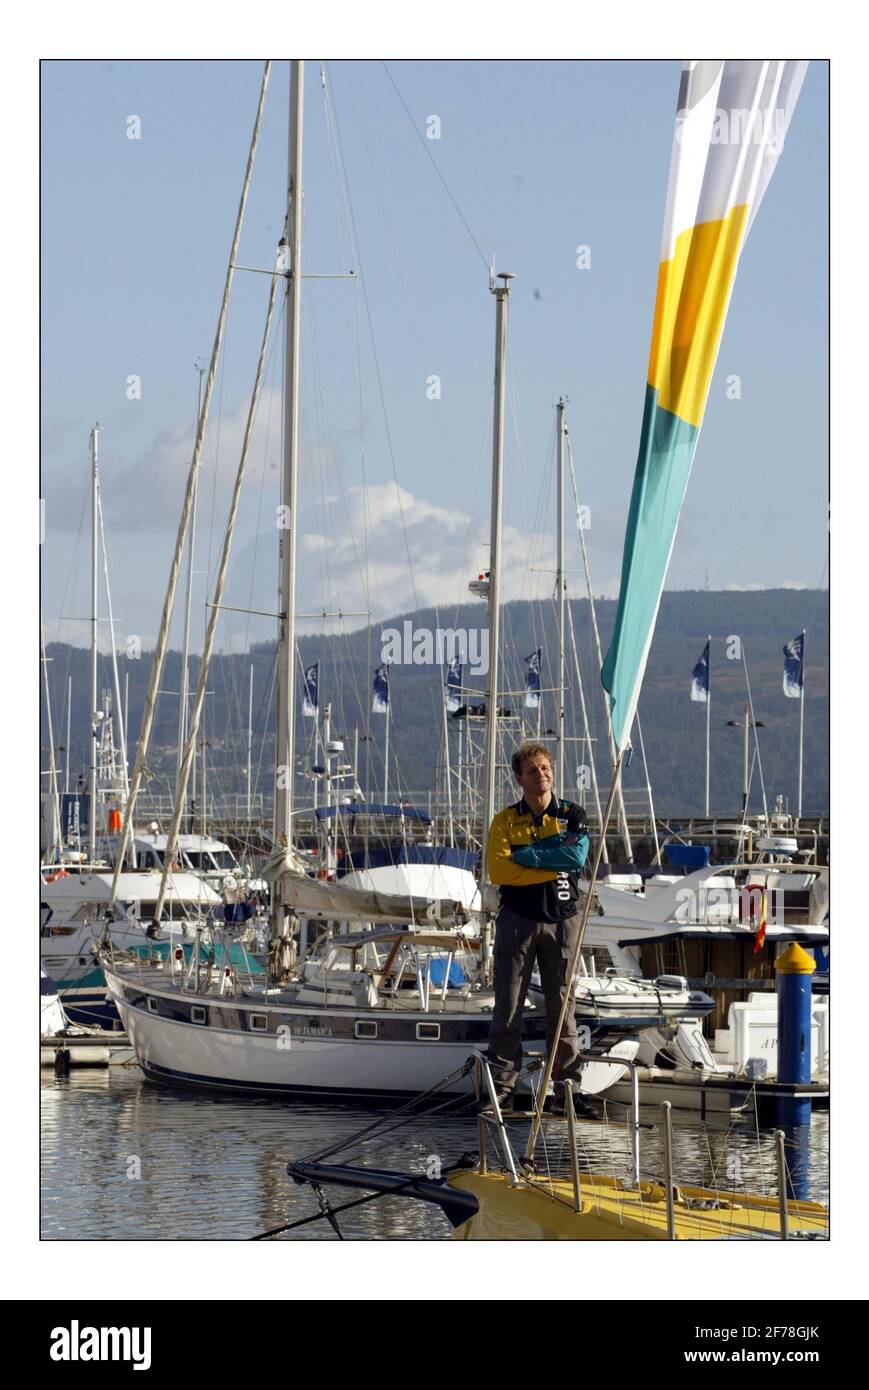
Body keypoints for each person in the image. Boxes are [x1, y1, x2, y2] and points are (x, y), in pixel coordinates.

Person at [485, 741, 591, 1106]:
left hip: (563, 920)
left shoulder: (571, 815)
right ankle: (502, 1086)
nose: (541, 775)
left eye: (546, 768)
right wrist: (549, 863)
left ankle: (567, 1089)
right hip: (517, 921)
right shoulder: (504, 820)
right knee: (508, 1005)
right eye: (533, 770)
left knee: (563, 1009)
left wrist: (526, 858)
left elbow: (574, 858)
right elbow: (498, 870)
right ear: (520, 778)